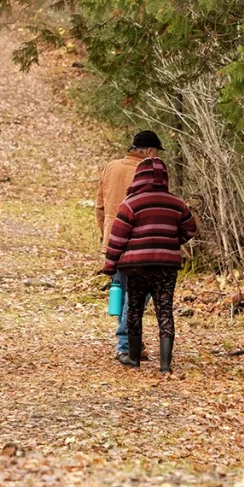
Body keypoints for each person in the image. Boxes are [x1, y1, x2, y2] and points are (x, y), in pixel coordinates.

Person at [101, 157, 197, 372]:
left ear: (138, 177)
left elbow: (117, 239)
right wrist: (170, 241)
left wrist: (109, 266)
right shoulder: (177, 204)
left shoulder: (130, 204)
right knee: (165, 311)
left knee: (134, 309)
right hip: (166, 267)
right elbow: (190, 229)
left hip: (137, 267)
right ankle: (165, 365)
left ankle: (133, 358)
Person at [96, 130, 162, 362]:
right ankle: (125, 343)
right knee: (138, 294)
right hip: (138, 243)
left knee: (122, 292)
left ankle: (132, 340)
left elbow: (100, 208)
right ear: (150, 151)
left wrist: (105, 237)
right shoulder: (150, 172)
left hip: (112, 240)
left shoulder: (110, 167)